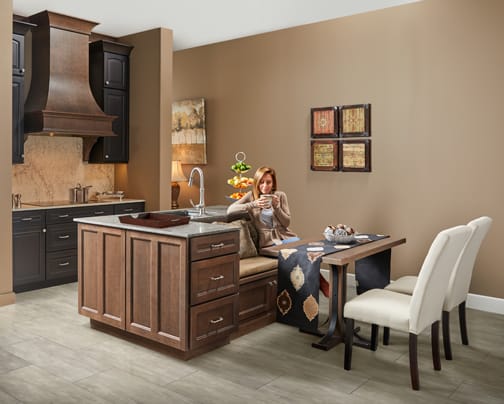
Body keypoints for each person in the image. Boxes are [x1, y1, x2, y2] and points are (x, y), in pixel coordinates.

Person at [227, 166, 330, 297]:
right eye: (261, 182)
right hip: (268, 244)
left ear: (273, 183)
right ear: (257, 182)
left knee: (308, 253)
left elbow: (287, 223)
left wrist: (276, 208)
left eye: (268, 182)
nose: (265, 186)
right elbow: (230, 210)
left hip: (287, 238)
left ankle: (313, 292)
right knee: (299, 255)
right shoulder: (251, 196)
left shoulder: (280, 196)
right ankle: (323, 286)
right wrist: (254, 204)